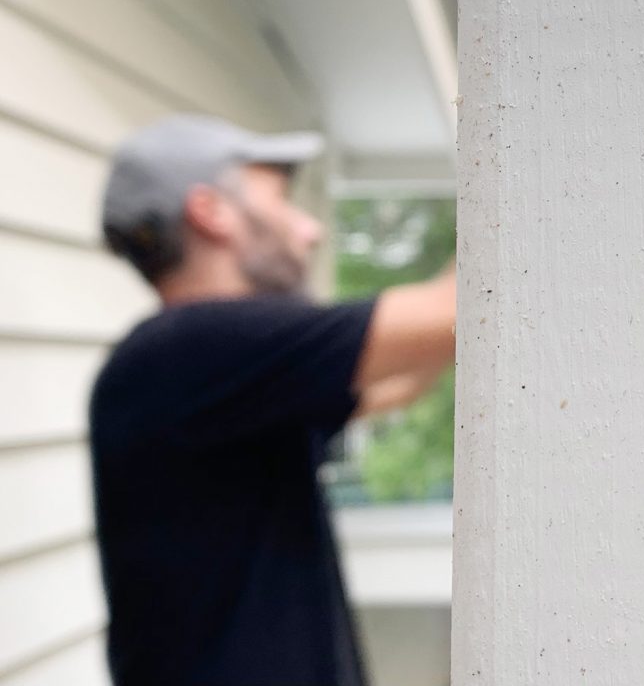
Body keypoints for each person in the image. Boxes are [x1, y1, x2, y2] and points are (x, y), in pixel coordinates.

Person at [90, 114, 456, 686]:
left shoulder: (224, 380)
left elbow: (406, 375)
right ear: (211, 212)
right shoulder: (191, 348)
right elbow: (461, 312)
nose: (309, 230)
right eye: (282, 200)